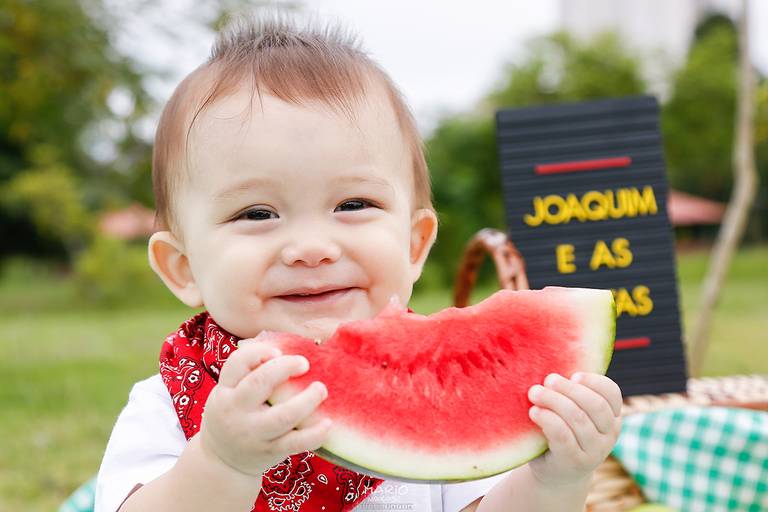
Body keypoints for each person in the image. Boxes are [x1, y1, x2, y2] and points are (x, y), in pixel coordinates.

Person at [94, 13, 623, 512]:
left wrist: (556, 479)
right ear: (182, 267)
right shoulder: (169, 402)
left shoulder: (443, 392)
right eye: (257, 213)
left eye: (353, 205)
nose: (311, 247)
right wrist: (219, 463)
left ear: (415, 245)